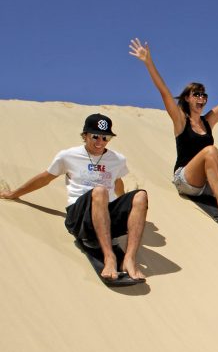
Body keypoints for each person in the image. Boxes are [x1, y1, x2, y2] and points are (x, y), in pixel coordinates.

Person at [129, 38, 218, 225]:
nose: (201, 98)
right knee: (210, 150)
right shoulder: (180, 120)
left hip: (207, 183)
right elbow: (164, 92)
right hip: (186, 180)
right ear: (187, 98)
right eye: (196, 94)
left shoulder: (207, 122)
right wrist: (148, 62)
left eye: (204, 95)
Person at [0, 114, 148, 281]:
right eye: (95, 136)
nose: (100, 142)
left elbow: (117, 181)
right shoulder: (68, 156)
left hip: (106, 215)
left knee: (140, 195)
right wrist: (14, 194)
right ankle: (109, 257)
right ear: (85, 135)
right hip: (79, 218)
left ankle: (129, 259)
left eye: (105, 137)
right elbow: (45, 178)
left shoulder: (118, 159)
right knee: (99, 191)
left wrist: (129, 206)